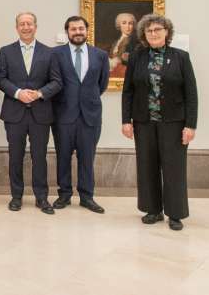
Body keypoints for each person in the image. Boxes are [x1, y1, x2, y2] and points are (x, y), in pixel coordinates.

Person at [122, 14, 199, 231]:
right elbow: (128, 90)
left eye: (158, 29)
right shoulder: (137, 57)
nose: (154, 34)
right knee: (146, 165)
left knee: (174, 168)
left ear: (167, 32)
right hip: (143, 122)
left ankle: (175, 214)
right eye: (149, 31)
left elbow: (191, 94)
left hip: (174, 123)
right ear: (144, 35)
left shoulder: (181, 57)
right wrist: (125, 120)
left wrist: (190, 125)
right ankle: (152, 210)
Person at [0, 12, 62, 214]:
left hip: (40, 113)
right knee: (15, 156)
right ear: (17, 27)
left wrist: (40, 93)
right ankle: (16, 197)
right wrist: (18, 93)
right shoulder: (6, 51)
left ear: (35, 26)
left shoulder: (49, 52)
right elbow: (0, 78)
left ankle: (41, 198)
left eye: (29, 24)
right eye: (22, 24)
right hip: (14, 113)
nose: (26, 27)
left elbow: (57, 82)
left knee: (39, 157)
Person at [51, 16, 110, 213]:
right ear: (67, 31)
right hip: (63, 115)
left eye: (81, 28)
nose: (77, 32)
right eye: (73, 29)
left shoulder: (100, 55)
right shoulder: (55, 54)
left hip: (90, 115)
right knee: (63, 157)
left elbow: (102, 84)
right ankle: (64, 195)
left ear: (87, 30)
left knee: (87, 158)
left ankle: (87, 197)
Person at [108, 12, 136, 78]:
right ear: (119, 25)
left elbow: (133, 60)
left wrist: (123, 59)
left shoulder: (134, 41)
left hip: (125, 72)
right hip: (114, 70)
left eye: (130, 23)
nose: (128, 26)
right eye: (124, 23)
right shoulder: (116, 42)